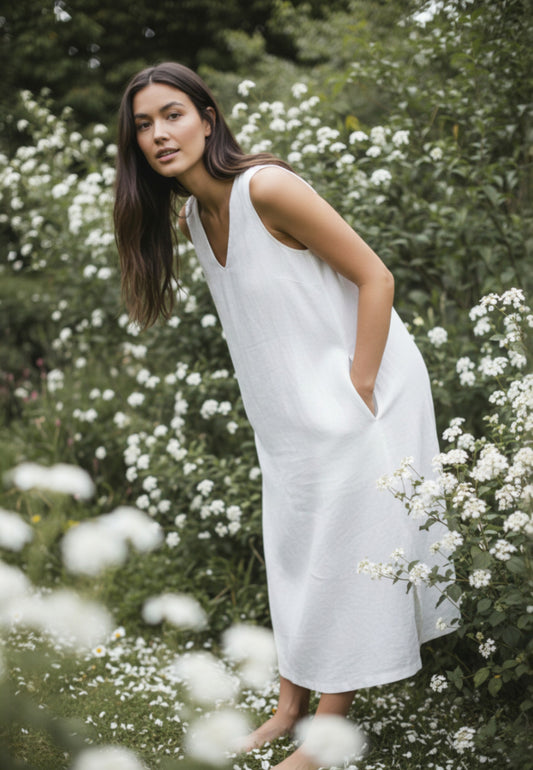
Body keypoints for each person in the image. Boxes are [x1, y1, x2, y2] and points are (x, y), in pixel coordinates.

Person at [114, 62, 458, 769]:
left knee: (344, 553)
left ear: (207, 117)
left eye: (172, 114)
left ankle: (325, 739)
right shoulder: (191, 216)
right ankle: (288, 708)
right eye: (143, 125)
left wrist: (357, 387)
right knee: (294, 553)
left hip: (361, 398)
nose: (158, 134)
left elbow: (374, 276)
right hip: (291, 420)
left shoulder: (264, 187)